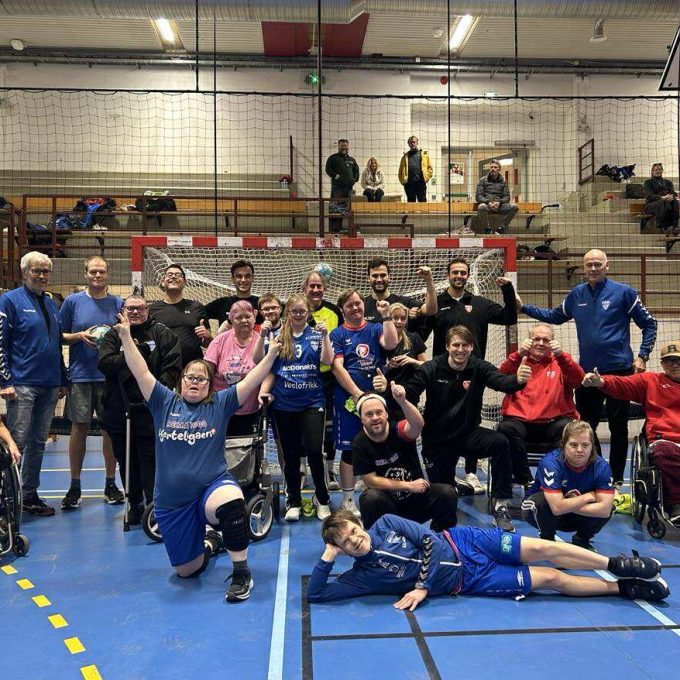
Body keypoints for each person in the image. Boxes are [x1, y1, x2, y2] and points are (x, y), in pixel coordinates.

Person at [114, 308, 282, 602]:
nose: (195, 382)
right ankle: (211, 542)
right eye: (190, 377)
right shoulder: (163, 401)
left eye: (202, 379)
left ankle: (241, 573)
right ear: (180, 382)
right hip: (172, 500)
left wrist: (271, 355)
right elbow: (141, 371)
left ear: (210, 386)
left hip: (211, 486)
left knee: (231, 502)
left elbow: (250, 380)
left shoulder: (220, 403)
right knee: (187, 570)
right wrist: (126, 336)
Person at [307, 510, 668, 606]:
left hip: (466, 543)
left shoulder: (387, 523)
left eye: (352, 531)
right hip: (469, 580)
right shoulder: (361, 576)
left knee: (542, 548)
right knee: (550, 578)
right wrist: (327, 555)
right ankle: (624, 588)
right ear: (343, 551)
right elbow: (317, 594)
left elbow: (431, 540)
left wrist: (421, 586)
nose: (355, 540)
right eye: (345, 543)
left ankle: (614, 564)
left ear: (358, 523)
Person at [517, 249, 657, 488]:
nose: (593, 268)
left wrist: (643, 356)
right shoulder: (577, 294)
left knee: (618, 428)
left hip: (619, 372)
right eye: (589, 264)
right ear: (583, 267)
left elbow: (650, 323)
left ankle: (615, 479)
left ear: (606, 266)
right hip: (587, 374)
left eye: (597, 264)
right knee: (585, 427)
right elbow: (554, 315)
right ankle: (596, 473)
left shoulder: (624, 292)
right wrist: (523, 308)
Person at [405, 325, 531, 532]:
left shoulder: (478, 367)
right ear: (447, 346)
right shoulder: (432, 368)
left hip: (468, 435)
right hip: (438, 440)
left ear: (471, 347)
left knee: (500, 442)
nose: (460, 350)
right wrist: (396, 392)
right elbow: (410, 391)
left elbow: (501, 381)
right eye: (456, 345)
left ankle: (500, 505)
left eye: (465, 345)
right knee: (444, 495)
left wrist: (518, 380)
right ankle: (454, 491)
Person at [98, 293, 182, 524]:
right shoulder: (112, 335)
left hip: (150, 410)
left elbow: (172, 368)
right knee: (126, 459)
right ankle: (133, 502)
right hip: (119, 409)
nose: (135, 312)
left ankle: (154, 505)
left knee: (150, 459)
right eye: (130, 308)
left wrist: (156, 394)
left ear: (147, 310)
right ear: (123, 311)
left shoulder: (163, 334)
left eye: (140, 308)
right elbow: (105, 364)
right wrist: (132, 354)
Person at [582, 340, 680, 525]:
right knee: (665, 454)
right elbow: (622, 384)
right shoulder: (651, 381)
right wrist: (601, 382)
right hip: (665, 439)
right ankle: (675, 505)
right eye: (669, 361)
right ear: (662, 364)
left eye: (678, 360)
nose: (674, 365)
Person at [0, 251, 67, 517]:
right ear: (24, 272)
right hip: (22, 384)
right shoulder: (9, 300)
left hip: (49, 384)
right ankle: (7, 499)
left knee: (39, 441)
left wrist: (62, 378)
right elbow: (1, 343)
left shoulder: (51, 303)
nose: (41, 276)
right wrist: (5, 380)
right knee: (17, 442)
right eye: (36, 271)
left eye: (45, 271)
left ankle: (28, 496)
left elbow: (55, 343)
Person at [259, 294, 334, 522]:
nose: (299, 315)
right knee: (290, 455)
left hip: (312, 402)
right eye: (294, 311)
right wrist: (264, 391)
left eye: (302, 311)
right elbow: (269, 368)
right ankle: (294, 501)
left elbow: (328, 361)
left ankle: (322, 499)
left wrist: (326, 336)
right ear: (288, 313)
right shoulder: (278, 337)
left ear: (308, 313)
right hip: (284, 404)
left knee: (314, 451)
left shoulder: (316, 335)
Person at [60, 256, 124, 510]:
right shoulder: (72, 302)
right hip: (81, 375)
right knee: (79, 428)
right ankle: (74, 486)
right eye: (93, 272)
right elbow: (59, 336)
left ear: (108, 274)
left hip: (109, 377)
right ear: (85, 273)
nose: (98, 275)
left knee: (110, 430)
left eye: (102, 272)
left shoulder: (118, 303)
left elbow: (126, 335)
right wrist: (78, 336)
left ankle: (110, 484)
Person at [330, 289, 398, 516]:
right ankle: (348, 500)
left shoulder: (376, 328)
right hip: (349, 399)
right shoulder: (337, 334)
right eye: (349, 305)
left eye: (357, 303)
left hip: (376, 397)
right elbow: (337, 368)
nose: (355, 308)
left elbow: (390, 343)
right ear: (343, 310)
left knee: (380, 444)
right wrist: (357, 394)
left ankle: (382, 491)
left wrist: (386, 315)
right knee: (349, 450)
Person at [353, 387, 458, 531]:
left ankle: (442, 538)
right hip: (389, 509)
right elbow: (371, 480)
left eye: (379, 412)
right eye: (369, 414)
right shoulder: (360, 443)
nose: (375, 418)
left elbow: (418, 425)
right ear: (361, 419)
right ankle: (380, 540)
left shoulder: (398, 430)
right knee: (370, 498)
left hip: (416, 501)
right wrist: (408, 486)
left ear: (386, 414)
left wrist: (402, 402)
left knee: (447, 493)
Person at [497, 324, 584, 487]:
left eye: (546, 340)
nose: (541, 343)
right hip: (520, 422)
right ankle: (526, 480)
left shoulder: (561, 362)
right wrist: (518, 354)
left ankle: (557, 481)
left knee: (568, 430)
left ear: (553, 343)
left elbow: (578, 380)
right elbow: (498, 378)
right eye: (536, 339)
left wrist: (562, 356)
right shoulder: (518, 361)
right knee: (505, 428)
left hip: (553, 423)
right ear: (529, 341)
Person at [521, 421, 614, 550]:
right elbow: (556, 508)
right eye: (573, 445)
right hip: (538, 510)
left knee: (610, 506)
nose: (580, 450)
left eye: (585, 445)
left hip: (571, 513)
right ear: (563, 445)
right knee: (543, 503)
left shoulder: (601, 467)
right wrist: (587, 496)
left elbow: (605, 510)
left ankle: (582, 538)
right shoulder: (551, 463)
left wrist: (565, 505)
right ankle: (547, 538)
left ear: (592, 446)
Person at [425, 258, 518, 359]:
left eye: (463, 273)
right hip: (443, 366)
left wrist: (508, 290)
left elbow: (510, 318)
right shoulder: (435, 305)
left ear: (468, 276)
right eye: (455, 272)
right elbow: (420, 335)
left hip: (474, 366)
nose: (459, 276)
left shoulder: (480, 304)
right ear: (448, 275)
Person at [303, 271, 344, 490]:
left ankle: (329, 468)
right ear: (305, 288)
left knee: (329, 424)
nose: (316, 290)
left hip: (328, 376)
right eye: (312, 286)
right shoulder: (297, 309)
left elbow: (340, 340)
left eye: (319, 286)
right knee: (302, 423)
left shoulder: (334, 311)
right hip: (303, 375)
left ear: (325, 289)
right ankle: (301, 469)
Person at [204, 301, 264, 437]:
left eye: (247, 316)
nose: (244, 320)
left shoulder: (261, 341)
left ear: (254, 317)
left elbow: (267, 373)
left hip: (250, 411)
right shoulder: (219, 341)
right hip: (220, 409)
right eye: (238, 317)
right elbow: (207, 372)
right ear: (231, 319)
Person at [149, 263, 211, 367]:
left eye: (178, 275)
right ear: (163, 282)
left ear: (185, 282)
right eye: (169, 274)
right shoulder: (151, 310)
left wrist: (207, 336)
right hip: (162, 367)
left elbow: (207, 344)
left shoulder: (196, 307)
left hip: (191, 368)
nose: (173, 276)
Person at [381, 302, 427, 420]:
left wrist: (412, 360)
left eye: (403, 318)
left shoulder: (413, 338)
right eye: (395, 318)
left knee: (409, 428)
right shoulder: (381, 340)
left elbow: (427, 366)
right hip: (386, 395)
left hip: (409, 395)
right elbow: (375, 370)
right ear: (389, 319)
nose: (399, 322)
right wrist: (389, 366)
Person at [363, 258, 437, 326]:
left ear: (389, 277)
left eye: (383, 275)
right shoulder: (362, 305)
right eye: (375, 276)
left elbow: (431, 310)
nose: (379, 280)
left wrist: (429, 279)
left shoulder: (403, 302)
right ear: (368, 279)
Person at [205, 260, 263, 327]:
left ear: (253, 278)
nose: (243, 280)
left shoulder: (261, 303)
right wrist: (208, 332)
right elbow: (199, 314)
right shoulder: (222, 303)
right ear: (233, 279)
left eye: (247, 276)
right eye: (239, 276)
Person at [475, 159, 518, 234]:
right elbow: (478, 195)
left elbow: (507, 197)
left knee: (514, 207)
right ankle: (487, 229)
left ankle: (502, 227)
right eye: (491, 167)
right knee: (481, 207)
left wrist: (499, 202)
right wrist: (488, 202)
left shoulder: (503, 181)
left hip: (499, 206)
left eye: (495, 167)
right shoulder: (482, 180)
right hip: (487, 205)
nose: (493, 169)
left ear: (499, 169)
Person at [325, 139, 359, 233]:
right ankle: (335, 229)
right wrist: (336, 176)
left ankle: (348, 227)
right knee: (335, 207)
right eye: (342, 145)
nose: (344, 147)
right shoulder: (333, 158)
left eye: (345, 145)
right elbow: (328, 169)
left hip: (349, 188)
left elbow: (356, 171)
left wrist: (354, 179)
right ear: (338, 146)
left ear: (348, 146)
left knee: (347, 208)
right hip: (337, 188)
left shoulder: (352, 160)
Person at [643, 163, 679, 235]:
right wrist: (662, 198)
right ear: (652, 171)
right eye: (656, 170)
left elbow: (673, 193)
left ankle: (675, 227)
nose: (658, 171)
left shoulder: (668, 182)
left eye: (660, 169)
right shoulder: (647, 182)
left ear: (662, 170)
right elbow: (649, 196)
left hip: (666, 203)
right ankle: (664, 226)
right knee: (663, 202)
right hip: (651, 205)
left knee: (675, 202)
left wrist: (671, 196)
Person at [398, 136, 433, 203]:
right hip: (409, 184)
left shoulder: (424, 155)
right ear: (408, 144)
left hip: (421, 183)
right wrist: (403, 181)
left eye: (414, 142)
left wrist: (427, 177)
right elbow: (400, 170)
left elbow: (430, 168)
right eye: (410, 142)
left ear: (417, 143)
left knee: (422, 202)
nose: (412, 144)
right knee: (411, 203)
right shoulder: (405, 157)